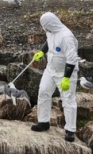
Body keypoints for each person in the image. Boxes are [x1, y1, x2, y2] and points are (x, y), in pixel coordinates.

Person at [31, 12, 79, 142]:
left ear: (50, 23)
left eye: (44, 25)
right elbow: (49, 42)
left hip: (65, 72)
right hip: (50, 69)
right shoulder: (51, 31)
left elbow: (72, 58)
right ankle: (43, 122)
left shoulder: (66, 37)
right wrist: (42, 51)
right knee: (43, 92)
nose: (44, 28)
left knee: (68, 100)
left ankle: (70, 130)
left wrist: (67, 77)